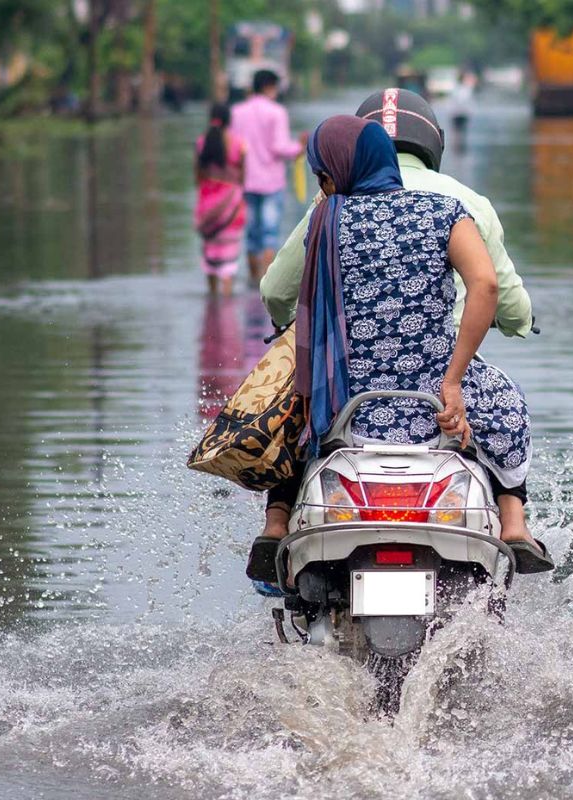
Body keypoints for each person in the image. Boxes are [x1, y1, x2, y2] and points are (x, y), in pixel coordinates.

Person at [244, 115, 552, 581]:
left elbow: (280, 292)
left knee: (292, 409)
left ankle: (276, 521)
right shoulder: (445, 211)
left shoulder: (326, 220)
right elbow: (487, 286)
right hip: (436, 398)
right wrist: (452, 381)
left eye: (322, 176)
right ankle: (514, 524)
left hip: (345, 401)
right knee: (507, 402)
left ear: (339, 173)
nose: (323, 186)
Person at [260, 87, 533, 340]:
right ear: (436, 141)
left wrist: (290, 321)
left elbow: (276, 292)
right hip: (446, 370)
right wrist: (518, 323)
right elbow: (506, 301)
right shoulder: (463, 204)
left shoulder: (332, 206)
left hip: (351, 377)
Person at [230, 69, 306, 283]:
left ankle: (252, 279)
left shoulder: (237, 112)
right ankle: (265, 284)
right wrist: (299, 147)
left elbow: (235, 148)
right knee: (270, 236)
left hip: (246, 182)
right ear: (269, 86)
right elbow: (279, 147)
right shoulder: (276, 112)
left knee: (251, 236)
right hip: (271, 182)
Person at [194, 103, 247, 296]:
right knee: (229, 261)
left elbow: (197, 176)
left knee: (210, 255)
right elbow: (243, 178)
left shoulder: (201, 143)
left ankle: (213, 302)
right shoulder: (239, 144)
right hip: (232, 208)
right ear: (229, 120)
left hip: (207, 206)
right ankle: (225, 305)